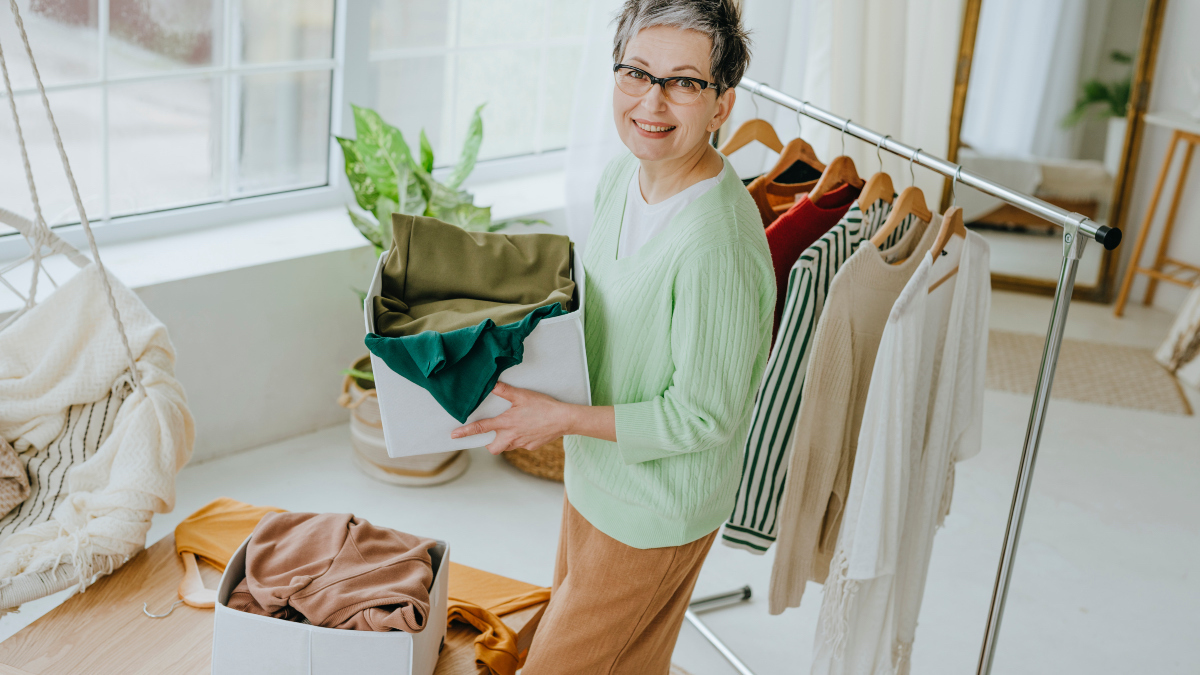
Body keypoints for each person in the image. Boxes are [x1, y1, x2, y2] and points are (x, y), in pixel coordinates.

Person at [451, 1, 773, 671]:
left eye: (684, 81)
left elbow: (705, 415)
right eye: (637, 72)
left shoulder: (717, 241)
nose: (652, 100)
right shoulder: (620, 177)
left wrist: (561, 416)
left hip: (656, 506)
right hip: (595, 473)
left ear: (722, 106)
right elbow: (607, 317)